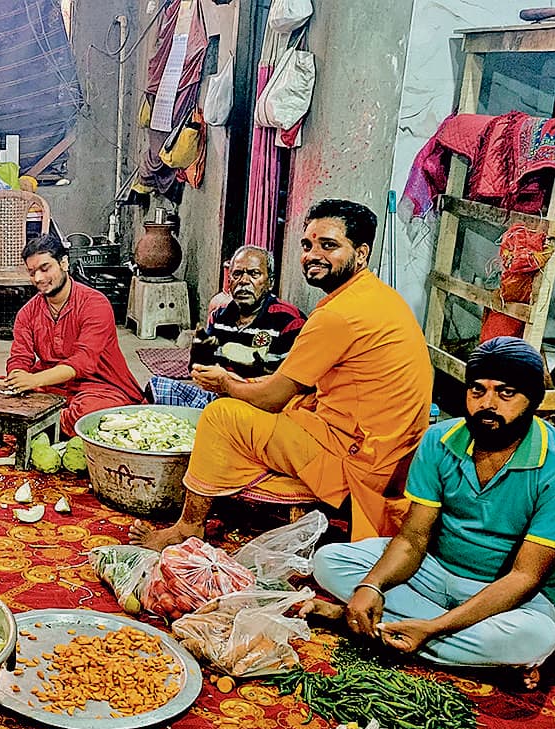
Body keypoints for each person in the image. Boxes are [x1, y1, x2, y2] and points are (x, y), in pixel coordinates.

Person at [134, 199, 432, 549]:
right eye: (307, 245)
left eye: (329, 245)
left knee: (219, 416)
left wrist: (226, 384)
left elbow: (274, 397)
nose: (313, 255)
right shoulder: (376, 297)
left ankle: (188, 526)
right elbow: (300, 385)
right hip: (378, 445)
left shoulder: (330, 316)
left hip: (362, 459)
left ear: (362, 254)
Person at [309, 338, 555, 677]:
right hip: (432, 571)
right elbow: (413, 539)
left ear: (533, 400)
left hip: (510, 594)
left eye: (506, 393)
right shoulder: (440, 439)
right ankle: (437, 643)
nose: (487, 404)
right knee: (328, 562)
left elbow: (525, 577)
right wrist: (371, 587)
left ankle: (381, 627)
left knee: (534, 638)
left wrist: (435, 628)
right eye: (477, 390)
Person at [4, 235, 144, 434]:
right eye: (32, 272)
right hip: (49, 386)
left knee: (88, 414)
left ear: (64, 263)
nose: (38, 279)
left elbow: (83, 362)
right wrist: (17, 376)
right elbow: (20, 356)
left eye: (45, 268)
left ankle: (39, 423)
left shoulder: (95, 304)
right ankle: (44, 422)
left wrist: (35, 381)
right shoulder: (27, 313)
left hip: (97, 386)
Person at [149, 245, 306, 409]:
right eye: (237, 274)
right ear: (229, 281)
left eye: (254, 274)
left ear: (270, 282)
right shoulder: (220, 316)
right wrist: (199, 353)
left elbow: (287, 388)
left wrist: (230, 382)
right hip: (220, 398)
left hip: (261, 406)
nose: (244, 281)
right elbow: (200, 370)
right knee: (157, 386)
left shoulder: (289, 320)